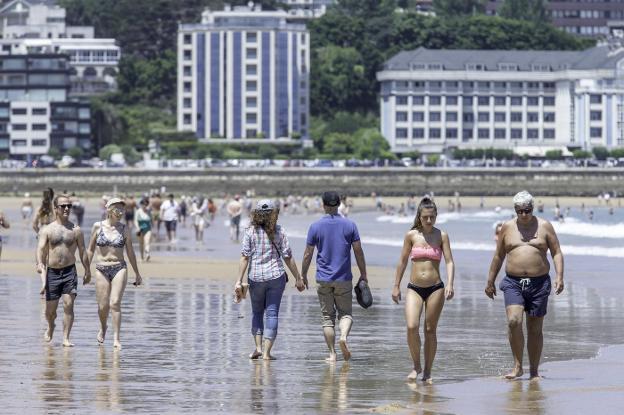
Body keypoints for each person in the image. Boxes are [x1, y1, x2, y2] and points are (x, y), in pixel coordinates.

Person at [485, 190, 564, 381]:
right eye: (519, 211)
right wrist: (490, 281)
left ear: (532, 208)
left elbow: (556, 252)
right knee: (514, 321)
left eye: (527, 210)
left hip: (539, 283)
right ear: (515, 210)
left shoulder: (545, 226)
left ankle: (534, 371)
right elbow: (498, 255)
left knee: (535, 329)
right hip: (513, 282)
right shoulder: (507, 227)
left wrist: (559, 276)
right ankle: (517, 366)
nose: (523, 215)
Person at [391, 196, 455, 383]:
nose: (429, 221)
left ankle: (427, 371)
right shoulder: (411, 235)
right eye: (425, 217)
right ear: (419, 216)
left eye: (432, 217)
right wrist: (396, 285)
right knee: (412, 327)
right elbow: (402, 261)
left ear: (436, 216)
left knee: (429, 330)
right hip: (414, 287)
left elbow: (450, 261)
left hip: (436, 288)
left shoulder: (441, 235)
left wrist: (450, 284)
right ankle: (416, 365)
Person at [301, 191, 368, 363]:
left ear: (323, 205)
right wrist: (363, 274)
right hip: (343, 278)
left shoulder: (315, 227)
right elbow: (358, 251)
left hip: (323, 278)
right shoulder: (350, 225)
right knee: (345, 314)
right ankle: (343, 336)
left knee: (327, 318)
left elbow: (308, 253)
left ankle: (332, 354)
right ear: (339, 205)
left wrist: (303, 275)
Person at [235, 199, 305, 360]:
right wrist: (298, 278)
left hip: (256, 278)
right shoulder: (279, 231)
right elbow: (288, 257)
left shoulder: (250, 231)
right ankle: (267, 353)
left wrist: (238, 280)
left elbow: (244, 257)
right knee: (272, 314)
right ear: (274, 214)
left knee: (257, 313)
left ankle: (258, 348)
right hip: (275, 276)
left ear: (257, 214)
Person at [87, 197, 143, 349]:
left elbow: (130, 252)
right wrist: (86, 269)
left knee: (115, 303)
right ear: (109, 210)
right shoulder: (97, 227)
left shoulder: (124, 229)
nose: (120, 212)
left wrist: (137, 273)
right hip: (101, 268)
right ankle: (103, 326)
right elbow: (91, 249)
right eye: (117, 209)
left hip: (120, 267)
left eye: (122, 209)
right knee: (103, 306)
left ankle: (116, 338)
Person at [36, 194, 91, 346]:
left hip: (69, 272)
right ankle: (51, 326)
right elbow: (40, 248)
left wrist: (87, 270)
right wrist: (40, 263)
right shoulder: (47, 229)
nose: (67, 208)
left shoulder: (76, 230)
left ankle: (66, 338)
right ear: (56, 208)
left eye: (69, 206)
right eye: (63, 206)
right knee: (50, 312)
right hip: (52, 273)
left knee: (68, 304)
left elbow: (82, 251)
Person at [33, 188, 56, 296]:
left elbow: (34, 224)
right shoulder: (55, 209)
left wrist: (39, 232)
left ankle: (44, 283)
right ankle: (49, 283)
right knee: (49, 261)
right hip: (52, 234)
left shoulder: (40, 209)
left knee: (40, 262)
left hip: (42, 233)